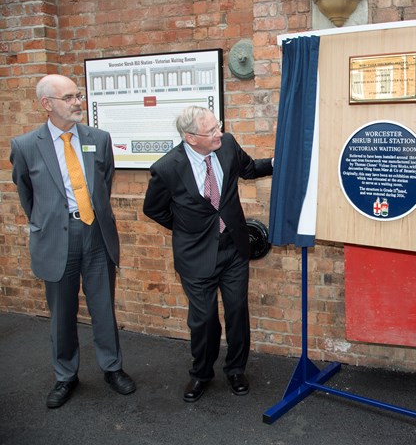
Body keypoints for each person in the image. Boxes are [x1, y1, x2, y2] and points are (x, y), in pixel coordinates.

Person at [10, 74, 136, 409]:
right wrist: (50, 221)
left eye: (78, 95)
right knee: (62, 313)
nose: (77, 102)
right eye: (68, 97)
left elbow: (103, 183)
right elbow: (27, 195)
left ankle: (112, 368)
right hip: (56, 238)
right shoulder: (25, 146)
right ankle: (65, 376)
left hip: (95, 234)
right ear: (46, 104)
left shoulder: (99, 138)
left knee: (103, 308)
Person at [143, 106, 273, 402]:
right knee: (203, 320)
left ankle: (236, 369)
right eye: (211, 131)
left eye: (219, 126)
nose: (220, 134)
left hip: (234, 248)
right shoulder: (167, 168)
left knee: (237, 311)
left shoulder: (226, 147)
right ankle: (201, 373)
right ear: (190, 137)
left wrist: (280, 162)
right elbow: (153, 209)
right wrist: (189, 228)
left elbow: (250, 169)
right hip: (196, 255)